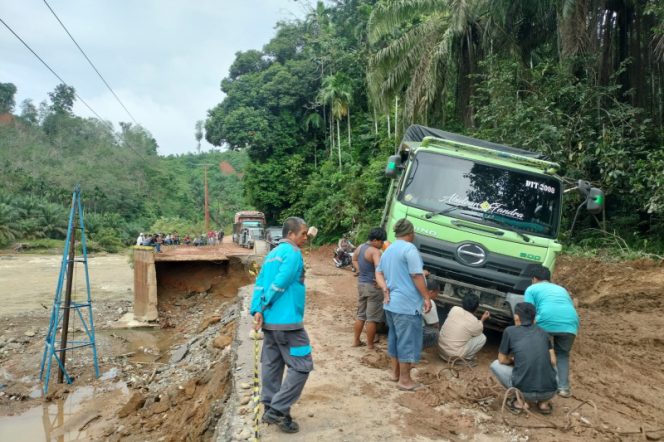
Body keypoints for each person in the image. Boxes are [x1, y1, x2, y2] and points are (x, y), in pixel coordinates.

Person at [250, 217, 312, 434]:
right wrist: (265, 304)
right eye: (303, 234)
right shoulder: (293, 253)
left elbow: (259, 285)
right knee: (302, 365)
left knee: (272, 365)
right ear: (291, 234)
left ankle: (273, 409)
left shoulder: (270, 256)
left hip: (270, 324)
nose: (305, 238)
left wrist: (257, 309)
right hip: (288, 324)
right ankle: (277, 409)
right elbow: (280, 283)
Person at [376, 218, 431, 391]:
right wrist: (427, 297)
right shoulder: (409, 249)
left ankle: (395, 374)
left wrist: (385, 288)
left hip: (391, 304)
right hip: (406, 305)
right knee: (407, 341)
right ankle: (405, 381)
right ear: (411, 233)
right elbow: (416, 275)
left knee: (394, 338)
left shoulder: (388, 249)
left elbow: (378, 273)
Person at [490, 302, 558, 414]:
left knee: (495, 364)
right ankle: (543, 403)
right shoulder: (544, 333)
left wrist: (513, 361)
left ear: (516, 318)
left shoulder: (510, 331)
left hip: (524, 392)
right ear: (534, 318)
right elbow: (553, 361)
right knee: (553, 366)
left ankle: (520, 402)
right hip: (549, 392)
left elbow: (502, 359)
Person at [524, 265, 579, 398]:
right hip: (571, 323)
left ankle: (537, 383)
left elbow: (529, 311)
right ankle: (563, 388)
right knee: (562, 355)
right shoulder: (561, 289)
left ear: (534, 279)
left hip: (546, 321)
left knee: (539, 351)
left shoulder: (532, 289)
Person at [351, 227, 387, 349]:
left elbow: (354, 258)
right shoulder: (375, 252)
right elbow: (379, 268)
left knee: (361, 315)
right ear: (375, 240)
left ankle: (356, 340)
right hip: (373, 287)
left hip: (361, 285)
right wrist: (380, 281)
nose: (382, 245)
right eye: (382, 242)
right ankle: (370, 345)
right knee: (372, 319)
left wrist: (359, 270)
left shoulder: (361, 247)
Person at [437, 293, 490, 364]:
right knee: (482, 337)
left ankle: (453, 355)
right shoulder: (474, 321)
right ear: (477, 308)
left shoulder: (454, 309)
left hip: (441, 351)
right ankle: (466, 359)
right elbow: (478, 332)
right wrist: (483, 319)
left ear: (462, 303)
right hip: (453, 356)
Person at [422, 278, 441, 349]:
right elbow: (436, 325)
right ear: (431, 292)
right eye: (437, 293)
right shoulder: (429, 302)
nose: (437, 296)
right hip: (412, 330)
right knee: (435, 333)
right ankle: (413, 351)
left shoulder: (415, 293)